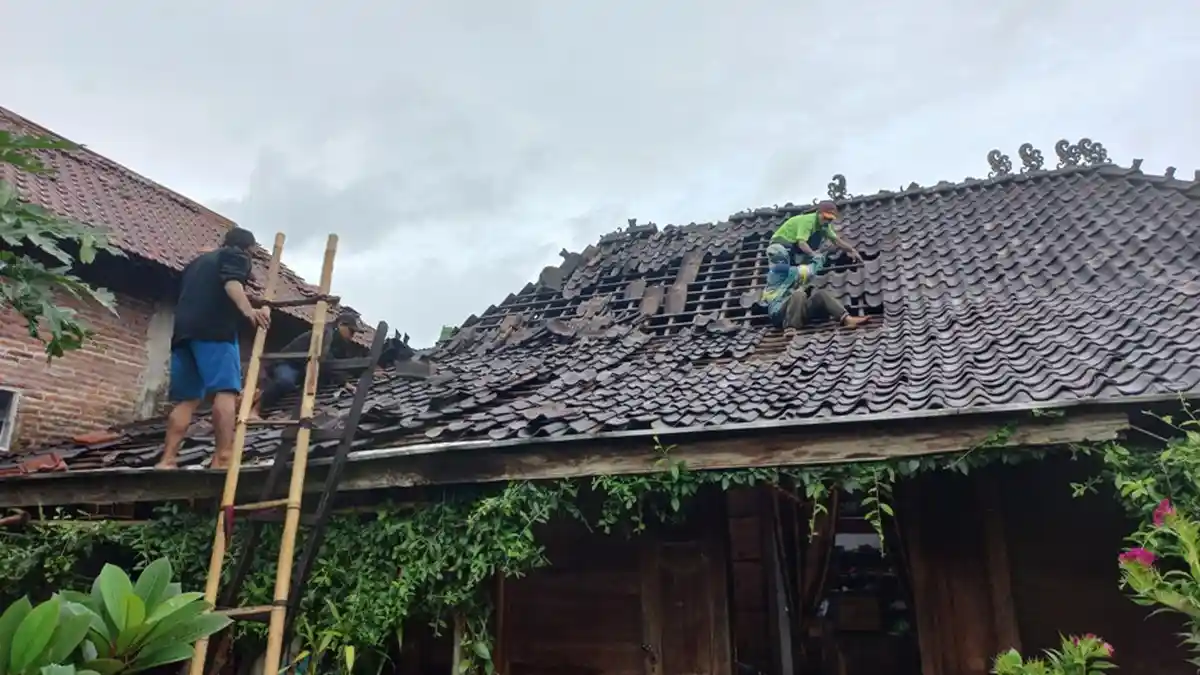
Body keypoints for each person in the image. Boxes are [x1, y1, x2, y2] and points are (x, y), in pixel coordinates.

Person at [158, 228, 271, 470]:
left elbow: (227, 279)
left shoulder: (196, 264)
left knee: (187, 399)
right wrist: (249, 311)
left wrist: (247, 277)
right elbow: (232, 285)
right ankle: (223, 456)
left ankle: (167, 459)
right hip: (215, 331)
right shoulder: (236, 256)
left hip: (183, 334)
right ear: (248, 248)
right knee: (226, 391)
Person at [248, 310, 363, 419]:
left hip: (303, 369)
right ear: (341, 324)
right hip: (289, 363)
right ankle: (255, 409)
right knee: (285, 381)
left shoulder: (339, 343)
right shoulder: (326, 333)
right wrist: (344, 382)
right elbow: (326, 360)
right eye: (351, 331)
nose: (352, 336)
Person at [761, 243, 870, 330]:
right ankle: (791, 327)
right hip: (779, 315)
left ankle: (847, 319)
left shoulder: (784, 271)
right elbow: (810, 270)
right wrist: (822, 255)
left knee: (820, 295)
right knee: (798, 294)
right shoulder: (777, 271)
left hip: (796, 310)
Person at [770, 200, 862, 267]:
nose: (827, 221)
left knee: (818, 236)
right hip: (780, 243)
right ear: (819, 213)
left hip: (793, 246)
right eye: (825, 218)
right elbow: (801, 242)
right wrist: (814, 255)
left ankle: (804, 262)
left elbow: (836, 241)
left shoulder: (824, 226)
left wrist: (852, 250)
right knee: (786, 272)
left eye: (830, 220)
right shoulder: (808, 221)